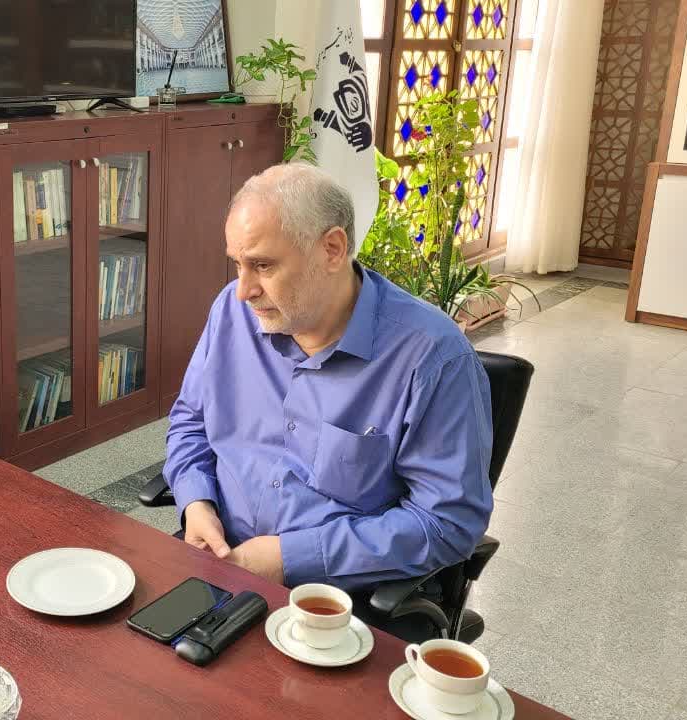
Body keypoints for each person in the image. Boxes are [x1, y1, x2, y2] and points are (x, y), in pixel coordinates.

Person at [164, 162, 493, 592]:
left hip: (339, 593)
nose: (244, 290)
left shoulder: (431, 357)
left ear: (333, 250)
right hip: (221, 560)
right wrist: (196, 502)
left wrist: (291, 558)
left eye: (262, 265)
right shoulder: (233, 312)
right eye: (238, 265)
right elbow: (191, 421)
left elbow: (447, 522)